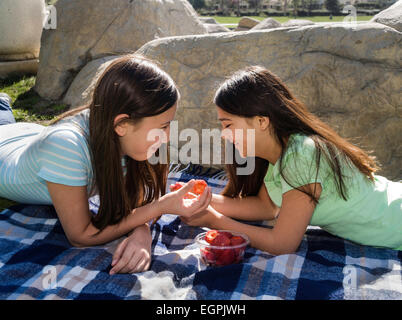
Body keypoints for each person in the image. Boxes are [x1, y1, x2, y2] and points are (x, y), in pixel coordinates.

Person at [0, 55, 212, 274]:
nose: (166, 137)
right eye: (163, 126)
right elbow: (81, 236)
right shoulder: (65, 147)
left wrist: (142, 233)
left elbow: (136, 207)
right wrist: (161, 206)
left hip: (26, 135)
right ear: (122, 124)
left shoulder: (122, 133)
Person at [181, 65, 402, 253]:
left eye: (228, 124)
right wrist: (201, 199)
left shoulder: (302, 155)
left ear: (261, 122)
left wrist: (214, 221)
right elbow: (266, 206)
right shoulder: (281, 153)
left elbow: (283, 244)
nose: (223, 134)